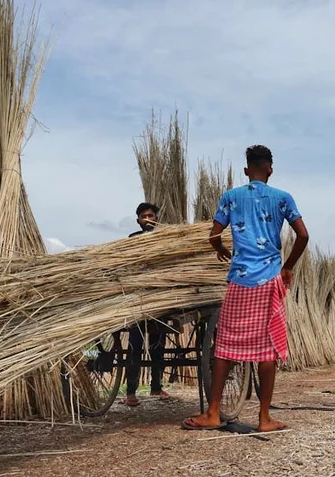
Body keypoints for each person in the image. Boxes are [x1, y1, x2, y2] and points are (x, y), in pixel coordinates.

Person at [182, 145, 309, 432]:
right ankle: (264, 418)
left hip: (239, 281)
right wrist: (287, 266)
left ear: (246, 170)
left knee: (225, 346)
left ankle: (213, 413)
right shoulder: (282, 198)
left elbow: (213, 235)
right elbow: (303, 235)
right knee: (266, 350)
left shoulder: (231, 197)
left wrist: (222, 248)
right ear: (270, 170)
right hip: (268, 280)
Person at [121, 202, 170, 407]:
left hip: (159, 297)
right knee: (135, 345)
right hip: (139, 299)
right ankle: (131, 393)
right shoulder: (133, 240)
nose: (148, 219)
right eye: (144, 216)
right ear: (138, 220)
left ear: (156, 218)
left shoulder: (167, 238)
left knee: (158, 345)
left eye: (151, 215)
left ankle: (156, 387)